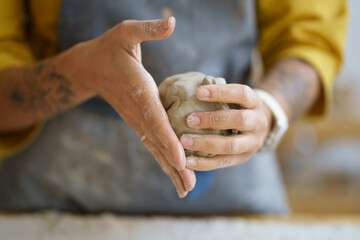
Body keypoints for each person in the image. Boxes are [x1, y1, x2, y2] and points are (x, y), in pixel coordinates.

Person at [0, 0, 347, 213]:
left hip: (233, 187)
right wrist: (79, 73)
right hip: (56, 195)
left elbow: (309, 37)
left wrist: (269, 108)